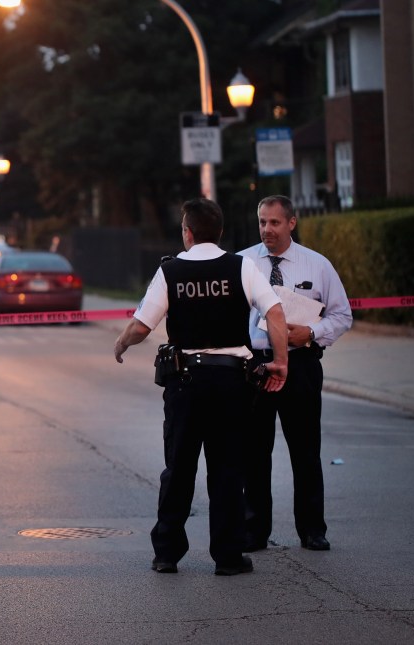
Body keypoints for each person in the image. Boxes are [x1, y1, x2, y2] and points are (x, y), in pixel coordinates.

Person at [114, 198, 289, 576]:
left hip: (186, 384)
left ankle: (167, 554)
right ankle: (227, 556)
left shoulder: (170, 271)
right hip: (231, 383)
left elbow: (142, 325)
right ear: (220, 232)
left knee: (178, 468)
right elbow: (275, 313)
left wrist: (121, 342)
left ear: (188, 233)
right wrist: (281, 362)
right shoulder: (242, 267)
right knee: (227, 470)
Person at [238, 195, 352, 552]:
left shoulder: (316, 265)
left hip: (300, 365)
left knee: (305, 451)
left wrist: (312, 334)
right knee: (255, 452)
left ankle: (312, 530)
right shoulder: (242, 262)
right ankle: (254, 530)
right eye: (262, 222)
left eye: (274, 223)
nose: (267, 230)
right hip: (256, 364)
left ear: (292, 223)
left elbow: (341, 315)